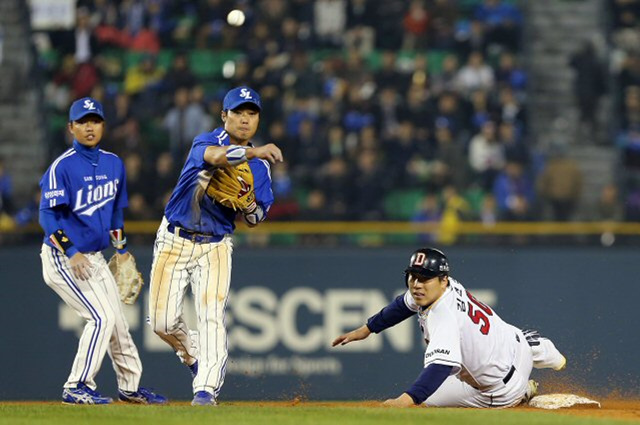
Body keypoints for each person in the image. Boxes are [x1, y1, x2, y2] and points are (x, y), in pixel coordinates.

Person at [148, 86, 283, 406]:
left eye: (252, 113)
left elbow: (256, 218)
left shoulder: (261, 169)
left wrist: (248, 203)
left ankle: (206, 389)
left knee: (211, 316)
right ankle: (196, 357)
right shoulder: (206, 141)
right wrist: (253, 152)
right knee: (161, 322)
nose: (245, 119)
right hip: (174, 239)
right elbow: (215, 158)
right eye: (238, 112)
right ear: (224, 116)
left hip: (216, 246)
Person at [38, 97, 167, 405]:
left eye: (94, 121)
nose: (89, 127)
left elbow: (115, 216)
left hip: (94, 257)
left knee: (119, 323)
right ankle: (76, 385)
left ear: (103, 125)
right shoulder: (62, 167)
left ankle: (130, 387)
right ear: (71, 127)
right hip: (63, 258)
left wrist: (121, 251)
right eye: (82, 122)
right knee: (101, 317)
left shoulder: (113, 163)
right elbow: (47, 216)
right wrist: (71, 253)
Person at [332, 248, 566, 408]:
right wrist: (366, 329)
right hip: (516, 346)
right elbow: (402, 305)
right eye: (412, 277)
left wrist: (405, 400)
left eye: (423, 278)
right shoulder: (442, 286)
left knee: (424, 404)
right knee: (508, 336)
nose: (415, 284)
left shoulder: (443, 315)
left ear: (442, 280)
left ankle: (522, 393)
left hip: (498, 390)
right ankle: (538, 347)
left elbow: (440, 367)